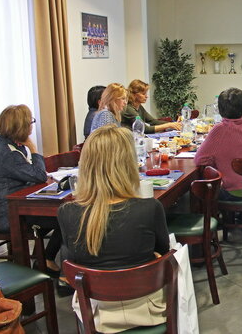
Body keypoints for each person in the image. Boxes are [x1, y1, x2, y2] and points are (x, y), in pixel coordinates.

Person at [58, 125, 169, 332]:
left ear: (86, 165)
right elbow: (163, 253)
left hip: (95, 313)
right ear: (128, 164)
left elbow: (70, 261)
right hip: (148, 309)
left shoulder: (68, 213)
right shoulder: (149, 208)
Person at [0, 105, 62, 274]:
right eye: (31, 122)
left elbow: (29, 176)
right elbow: (39, 175)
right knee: (64, 218)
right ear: (22, 127)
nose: (32, 126)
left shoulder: (4, 144)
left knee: (60, 215)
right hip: (5, 214)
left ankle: (42, 258)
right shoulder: (6, 152)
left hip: (13, 205)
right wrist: (33, 149)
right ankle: (45, 260)